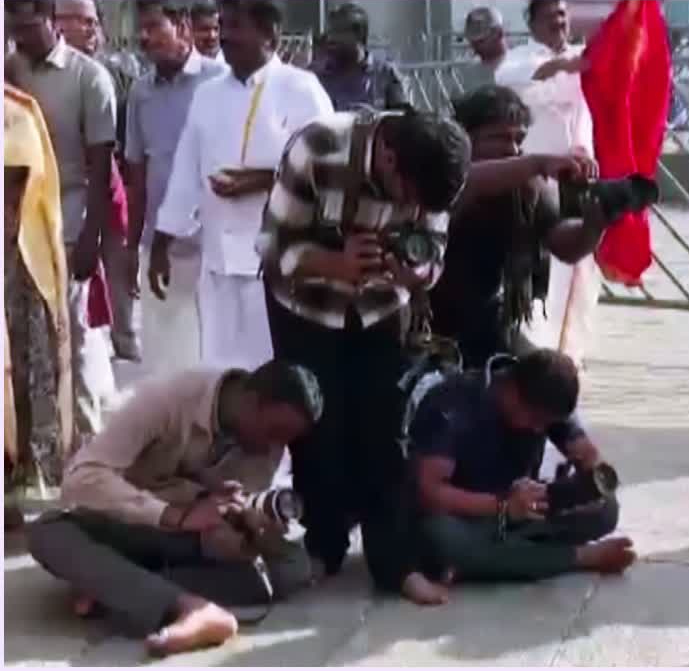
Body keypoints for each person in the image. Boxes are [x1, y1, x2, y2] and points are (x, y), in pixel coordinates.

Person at [257, 94, 600, 602]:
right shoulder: (318, 147)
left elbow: (432, 255)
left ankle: (394, 567)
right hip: (306, 306)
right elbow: (270, 247)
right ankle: (324, 548)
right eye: (408, 199)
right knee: (319, 428)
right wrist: (333, 263)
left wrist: (413, 273)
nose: (412, 213)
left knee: (386, 432)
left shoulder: (439, 171)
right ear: (391, 158)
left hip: (382, 309)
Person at [25, 360, 321, 657]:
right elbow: (81, 480)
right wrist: (175, 515)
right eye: (274, 431)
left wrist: (245, 533)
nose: (276, 446)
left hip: (187, 542)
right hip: (129, 527)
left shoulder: (268, 446)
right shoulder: (166, 398)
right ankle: (185, 606)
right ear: (251, 402)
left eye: (287, 439)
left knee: (293, 567)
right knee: (47, 532)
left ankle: (113, 586)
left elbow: (229, 524)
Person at [150, 0, 333, 372]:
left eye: (236, 26)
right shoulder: (208, 94)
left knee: (274, 372)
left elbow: (328, 171)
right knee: (221, 371)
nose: (225, 36)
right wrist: (162, 239)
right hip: (217, 263)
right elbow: (187, 170)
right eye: (223, 24)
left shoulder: (301, 89)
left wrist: (264, 181)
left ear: (270, 35)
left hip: (276, 267)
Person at [411, 349, 635, 582]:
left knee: (606, 509)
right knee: (441, 539)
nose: (539, 430)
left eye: (545, 423)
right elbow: (429, 492)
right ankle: (578, 557)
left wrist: (592, 478)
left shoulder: (544, 399)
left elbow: (586, 452)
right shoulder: (453, 403)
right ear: (512, 391)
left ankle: (500, 556)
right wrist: (502, 507)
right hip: (464, 516)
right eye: (535, 420)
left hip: (520, 510)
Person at [432, 85, 611, 369]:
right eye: (500, 138)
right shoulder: (438, 179)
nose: (512, 149)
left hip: (492, 325)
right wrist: (536, 164)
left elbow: (565, 245)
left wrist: (594, 224)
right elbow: (465, 184)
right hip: (428, 331)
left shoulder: (526, 187)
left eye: (519, 139)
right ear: (465, 137)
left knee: (556, 381)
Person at [6, 0, 117, 451]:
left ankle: (91, 450)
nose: (21, 39)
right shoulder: (10, 68)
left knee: (73, 337)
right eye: (13, 29)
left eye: (29, 29)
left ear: (52, 22)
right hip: (17, 226)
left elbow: (101, 166)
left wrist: (91, 237)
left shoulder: (90, 78)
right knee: (24, 344)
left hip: (68, 225)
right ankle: (32, 449)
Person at [496, 0, 601, 368]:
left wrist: (585, 150)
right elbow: (509, 79)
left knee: (578, 266)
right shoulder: (521, 61)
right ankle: (527, 346)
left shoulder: (582, 61)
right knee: (530, 266)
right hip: (533, 183)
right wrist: (563, 65)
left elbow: (585, 112)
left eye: (563, 14)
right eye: (551, 16)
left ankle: (568, 351)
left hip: (574, 177)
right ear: (534, 23)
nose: (559, 22)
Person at [124, 1, 226, 378]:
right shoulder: (140, 92)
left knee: (214, 356)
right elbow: (137, 174)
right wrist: (134, 246)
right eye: (141, 27)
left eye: (153, 26)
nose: (144, 36)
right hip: (159, 248)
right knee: (165, 359)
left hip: (215, 245)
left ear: (182, 25)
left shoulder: (220, 81)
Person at [4, 84, 74, 527]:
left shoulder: (15, 113)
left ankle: (13, 487)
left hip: (14, 259)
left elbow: (26, 192)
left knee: (18, 376)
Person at [55, 0, 140, 362]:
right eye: (81, 21)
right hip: (62, 206)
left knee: (115, 277)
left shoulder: (108, 73)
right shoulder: (20, 73)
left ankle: (124, 344)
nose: (92, 30)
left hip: (108, 190)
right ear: (57, 22)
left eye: (94, 22)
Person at [309, 3, 413, 112]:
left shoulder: (385, 73)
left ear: (358, 34)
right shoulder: (317, 76)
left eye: (338, 32)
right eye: (329, 32)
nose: (330, 39)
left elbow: (402, 118)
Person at [458, 7, 507, 97]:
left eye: (481, 40)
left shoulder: (519, 67)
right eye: (472, 40)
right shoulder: (468, 73)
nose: (474, 46)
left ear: (499, 34)